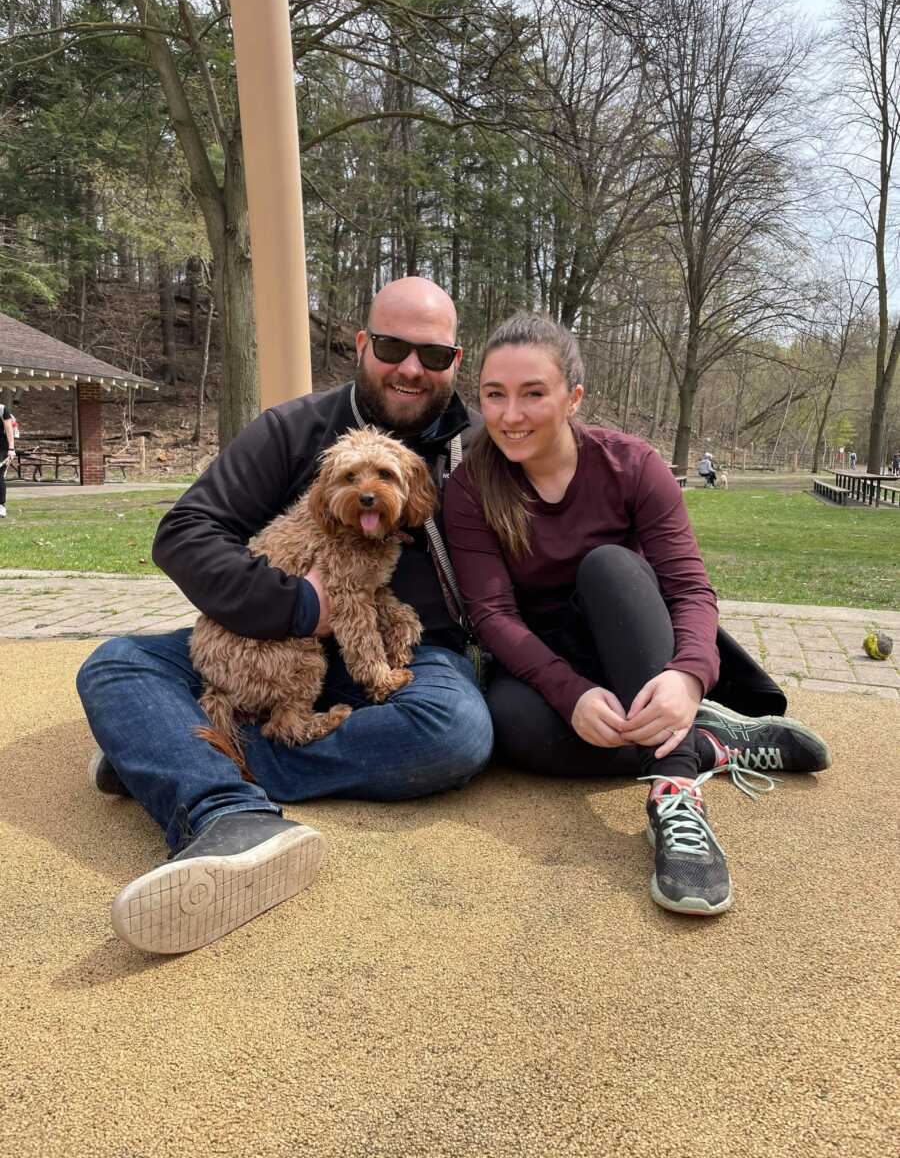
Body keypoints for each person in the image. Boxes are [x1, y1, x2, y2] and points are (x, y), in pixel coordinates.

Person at [77, 277, 493, 955]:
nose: (412, 368)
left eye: (434, 355)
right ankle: (233, 818)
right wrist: (299, 607)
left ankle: (172, 757)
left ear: (456, 360)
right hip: (266, 638)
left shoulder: (482, 448)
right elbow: (184, 534)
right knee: (114, 664)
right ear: (362, 344)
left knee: (458, 733)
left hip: (403, 661)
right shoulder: (293, 429)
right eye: (391, 346)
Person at [443, 314, 831, 918]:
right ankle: (704, 741)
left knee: (610, 567)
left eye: (532, 393)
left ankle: (675, 789)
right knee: (508, 725)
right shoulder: (471, 487)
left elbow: (691, 591)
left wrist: (688, 677)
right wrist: (569, 692)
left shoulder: (633, 465)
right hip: (548, 664)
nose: (510, 415)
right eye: (495, 395)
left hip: (636, 639)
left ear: (573, 398)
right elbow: (492, 615)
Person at [0, 400, 14, 518]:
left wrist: (11, 448)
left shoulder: (2, 409)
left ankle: (1, 505)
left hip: (2, 448)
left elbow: (9, 429)